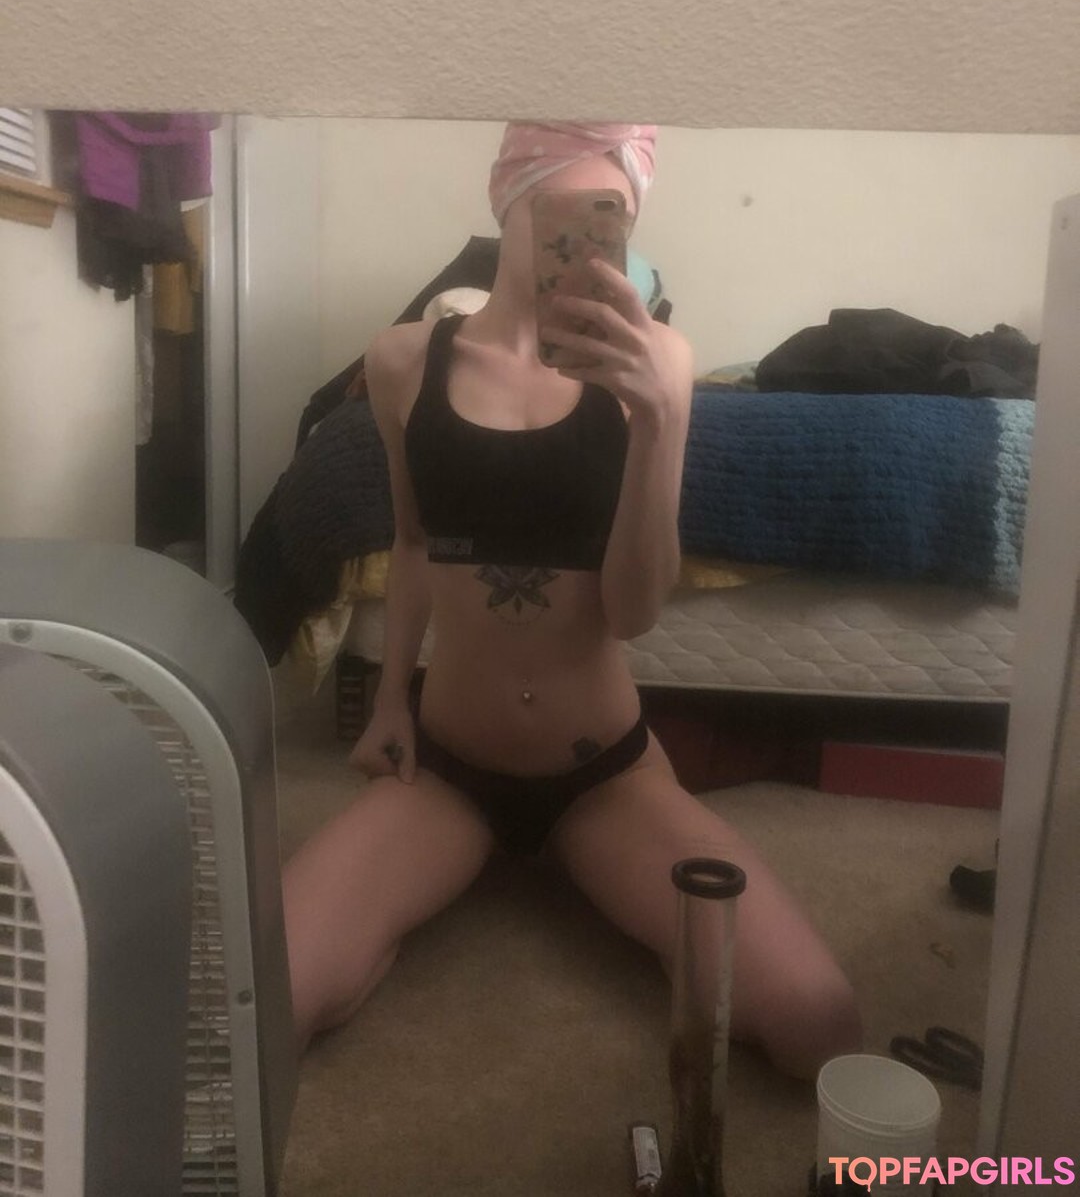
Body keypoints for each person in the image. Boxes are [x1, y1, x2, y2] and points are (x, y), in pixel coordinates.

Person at [282, 122, 862, 1079]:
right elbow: (415, 542)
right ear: (507, 202)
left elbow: (633, 614)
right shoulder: (402, 361)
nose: (584, 243)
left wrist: (658, 420)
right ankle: (415, 906)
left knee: (819, 1024)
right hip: (450, 765)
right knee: (271, 996)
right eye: (562, 213)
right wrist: (388, 704)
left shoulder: (660, 363)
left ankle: (602, 882)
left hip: (605, 773)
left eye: (611, 218)